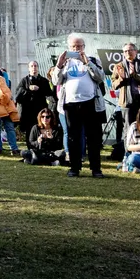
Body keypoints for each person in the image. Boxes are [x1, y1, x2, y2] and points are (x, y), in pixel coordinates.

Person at [55, 34, 105, 178]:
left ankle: (96, 169)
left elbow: (100, 78)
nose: (77, 49)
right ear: (69, 48)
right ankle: (74, 168)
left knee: (93, 138)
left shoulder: (93, 60)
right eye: (74, 47)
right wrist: (59, 65)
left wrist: (87, 63)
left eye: (79, 46)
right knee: (73, 138)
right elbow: (56, 81)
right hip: (71, 104)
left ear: (84, 47)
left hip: (91, 103)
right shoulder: (65, 63)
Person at [111, 47, 140, 162]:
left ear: (136, 52)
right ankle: (127, 155)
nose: (128, 52)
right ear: (123, 53)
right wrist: (121, 79)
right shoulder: (118, 66)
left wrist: (135, 75)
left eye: (131, 50)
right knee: (127, 129)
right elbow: (114, 85)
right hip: (126, 102)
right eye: (126, 51)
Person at [15, 61, 53, 138]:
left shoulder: (44, 80)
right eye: (31, 66)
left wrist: (39, 89)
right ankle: (30, 147)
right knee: (29, 130)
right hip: (28, 110)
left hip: (40, 109)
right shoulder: (24, 81)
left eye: (35, 66)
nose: (34, 68)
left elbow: (49, 94)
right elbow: (18, 94)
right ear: (29, 68)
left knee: (40, 128)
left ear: (38, 68)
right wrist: (28, 89)